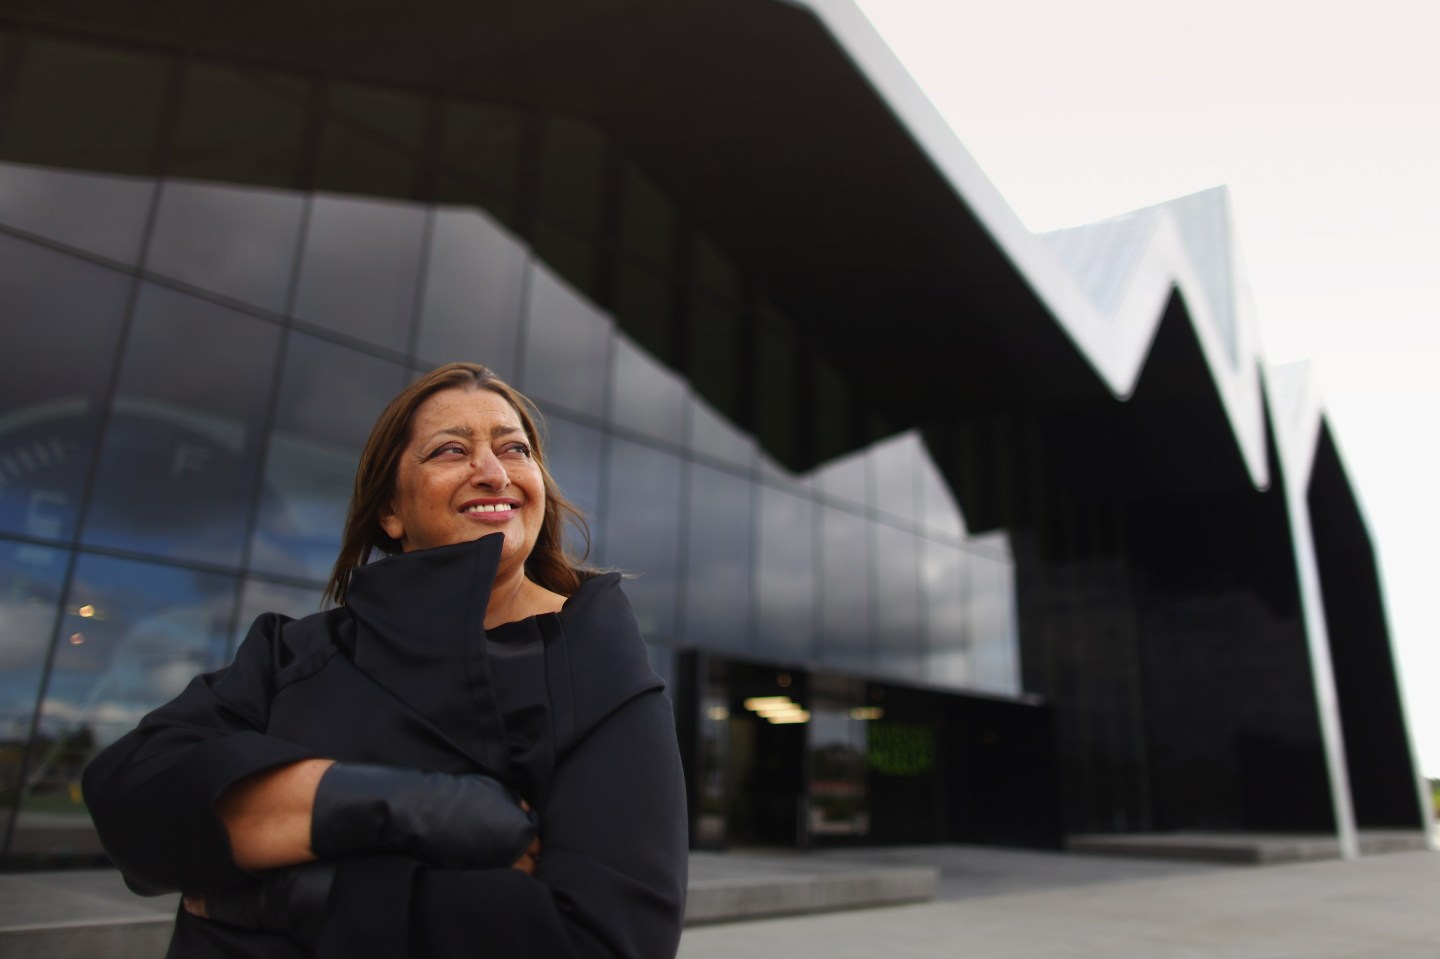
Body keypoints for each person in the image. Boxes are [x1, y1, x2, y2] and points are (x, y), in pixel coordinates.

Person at [82, 362, 689, 958]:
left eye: (515, 449)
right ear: (390, 511)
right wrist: (402, 805)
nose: (491, 471)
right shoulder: (295, 652)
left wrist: (299, 895)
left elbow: (605, 939)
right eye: (451, 450)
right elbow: (131, 794)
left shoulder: (598, 662)